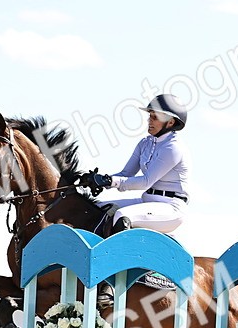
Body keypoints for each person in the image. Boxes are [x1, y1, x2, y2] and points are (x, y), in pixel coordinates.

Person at [82, 94, 191, 236]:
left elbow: (146, 182)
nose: (149, 120)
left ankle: (121, 251)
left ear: (170, 122)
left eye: (155, 117)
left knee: (121, 216)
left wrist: (111, 181)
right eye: (150, 115)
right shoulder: (145, 143)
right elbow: (126, 174)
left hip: (171, 208)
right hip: (147, 200)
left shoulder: (173, 148)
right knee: (96, 208)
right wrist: (101, 180)